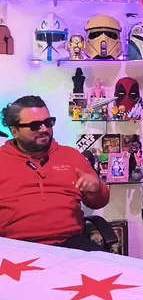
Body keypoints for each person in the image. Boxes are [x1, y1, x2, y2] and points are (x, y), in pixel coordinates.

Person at [0, 95, 110, 250]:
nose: (44, 129)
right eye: (35, 125)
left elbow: (99, 202)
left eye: (48, 122)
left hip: (71, 243)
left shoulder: (71, 156)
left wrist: (96, 189)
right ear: (14, 131)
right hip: (17, 247)